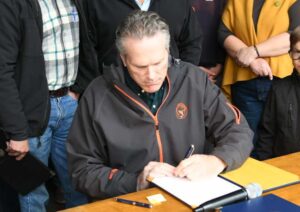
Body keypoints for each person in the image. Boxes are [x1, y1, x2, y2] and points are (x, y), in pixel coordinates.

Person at [67, 10, 253, 199]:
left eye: (158, 63)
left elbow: (238, 130)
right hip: (130, 202)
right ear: (123, 59)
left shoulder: (193, 80)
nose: (151, 75)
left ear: (167, 51)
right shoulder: (98, 95)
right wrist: (136, 181)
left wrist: (217, 160)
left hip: (191, 196)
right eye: (140, 66)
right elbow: (82, 170)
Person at [0, 0, 98, 211]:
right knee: (33, 192)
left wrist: (78, 88)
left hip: (70, 102)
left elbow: (87, 44)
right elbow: (2, 71)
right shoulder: (10, 4)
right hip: (31, 112)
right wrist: (16, 132)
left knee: (78, 182)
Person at [219, 0, 300, 157]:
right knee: (245, 142)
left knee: (282, 139)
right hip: (245, 81)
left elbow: (294, 35)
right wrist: (252, 60)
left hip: (282, 80)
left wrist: (255, 51)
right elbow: (223, 32)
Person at [82, 0, 203, 73]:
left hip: (170, 93)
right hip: (114, 95)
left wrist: (181, 77)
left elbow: (192, 41)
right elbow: (87, 49)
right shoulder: (93, 3)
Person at [256, 26, 300, 160]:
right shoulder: (278, 89)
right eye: (297, 53)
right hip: (284, 168)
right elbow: (266, 135)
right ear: (290, 54)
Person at [191, 0, 227, 85]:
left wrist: (218, 68)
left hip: (217, 73)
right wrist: (193, 69)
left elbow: (227, 32)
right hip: (188, 69)